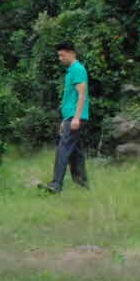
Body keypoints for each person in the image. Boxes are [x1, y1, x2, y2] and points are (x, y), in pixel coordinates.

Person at [42, 41, 88, 192]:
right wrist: (65, 119)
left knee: (63, 149)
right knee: (75, 152)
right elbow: (70, 98)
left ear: (71, 53)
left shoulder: (78, 69)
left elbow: (82, 95)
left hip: (76, 117)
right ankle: (82, 185)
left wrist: (76, 118)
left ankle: (56, 185)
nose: (60, 58)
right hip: (70, 117)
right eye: (59, 56)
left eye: (62, 55)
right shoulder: (71, 71)